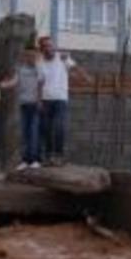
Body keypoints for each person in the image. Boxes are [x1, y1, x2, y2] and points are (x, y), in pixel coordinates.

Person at [37, 36, 79, 166]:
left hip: (61, 99)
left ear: (54, 46)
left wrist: (68, 60)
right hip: (45, 100)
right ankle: (49, 156)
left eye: (50, 45)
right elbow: (40, 83)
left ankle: (59, 155)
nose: (48, 48)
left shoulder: (62, 58)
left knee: (59, 127)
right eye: (45, 46)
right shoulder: (40, 63)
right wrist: (38, 100)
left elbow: (75, 69)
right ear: (41, 49)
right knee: (46, 129)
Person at [1, 45, 43, 171]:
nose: (30, 57)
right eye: (27, 55)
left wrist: (40, 101)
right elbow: (15, 81)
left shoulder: (39, 68)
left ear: (36, 55)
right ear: (24, 56)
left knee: (34, 132)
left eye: (32, 55)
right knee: (25, 133)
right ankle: (25, 160)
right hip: (23, 104)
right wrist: (4, 85)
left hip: (35, 104)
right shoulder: (20, 69)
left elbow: (42, 83)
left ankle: (35, 159)